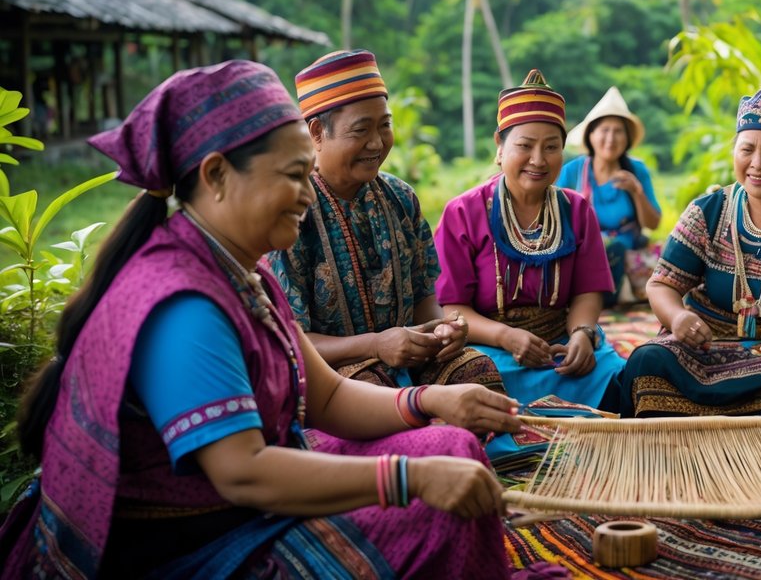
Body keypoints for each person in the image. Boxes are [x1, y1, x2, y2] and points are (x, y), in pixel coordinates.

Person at [0, 61, 521, 579]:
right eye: (294, 176)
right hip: (193, 545)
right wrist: (409, 479)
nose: (309, 193)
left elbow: (329, 398)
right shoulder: (181, 304)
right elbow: (243, 473)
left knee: (451, 444)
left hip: (246, 512)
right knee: (430, 506)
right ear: (217, 175)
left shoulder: (241, 271)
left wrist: (433, 399)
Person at [268, 50, 501, 392]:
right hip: (332, 376)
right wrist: (376, 346)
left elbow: (425, 297)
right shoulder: (293, 210)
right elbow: (291, 339)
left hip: (409, 362)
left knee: (477, 371)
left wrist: (444, 330)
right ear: (317, 132)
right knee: (373, 389)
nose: (377, 143)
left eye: (385, 126)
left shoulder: (400, 197)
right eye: (361, 130)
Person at [619, 82, 761, 421]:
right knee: (647, 362)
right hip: (705, 349)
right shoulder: (707, 212)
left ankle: (707, 429)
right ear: (734, 151)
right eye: (746, 149)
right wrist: (678, 318)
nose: (757, 163)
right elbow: (662, 284)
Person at [434, 69, 624, 413]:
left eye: (551, 147)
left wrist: (582, 333)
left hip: (559, 343)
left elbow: (587, 291)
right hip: (491, 348)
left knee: (617, 376)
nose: (539, 159)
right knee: (472, 379)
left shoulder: (576, 210)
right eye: (524, 146)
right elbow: (453, 309)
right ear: (500, 146)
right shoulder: (463, 211)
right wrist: (506, 337)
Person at [557, 86, 662, 305]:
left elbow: (652, 224)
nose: (611, 138)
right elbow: (553, 216)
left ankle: (607, 294)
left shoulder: (636, 171)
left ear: (627, 138)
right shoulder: (573, 171)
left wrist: (637, 192)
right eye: (604, 130)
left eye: (618, 131)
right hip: (584, 256)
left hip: (626, 259)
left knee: (617, 249)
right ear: (591, 135)